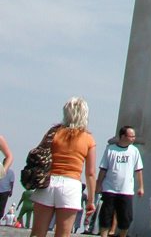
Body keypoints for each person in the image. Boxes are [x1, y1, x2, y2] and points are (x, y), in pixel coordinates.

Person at [30, 96, 96, 237]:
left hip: (48, 181)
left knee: (37, 233)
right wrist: (91, 200)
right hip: (71, 185)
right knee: (63, 234)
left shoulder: (53, 132)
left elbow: (39, 154)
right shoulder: (88, 139)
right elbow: (90, 173)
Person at [95, 126, 144, 237]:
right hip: (109, 189)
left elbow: (138, 170)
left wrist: (141, 186)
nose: (133, 139)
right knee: (106, 216)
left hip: (126, 190)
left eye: (134, 136)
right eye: (131, 136)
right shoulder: (110, 149)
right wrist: (98, 185)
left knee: (126, 218)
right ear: (123, 136)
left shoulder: (134, 151)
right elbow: (103, 169)